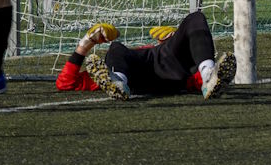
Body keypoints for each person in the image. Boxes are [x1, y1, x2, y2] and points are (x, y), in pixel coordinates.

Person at [55, 13, 236, 101]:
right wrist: (87, 42)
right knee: (116, 47)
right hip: (140, 74)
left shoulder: (109, 67)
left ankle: (208, 76)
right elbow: (65, 84)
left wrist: (173, 40)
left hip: (165, 61)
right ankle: (119, 82)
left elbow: (65, 84)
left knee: (195, 18)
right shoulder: (107, 70)